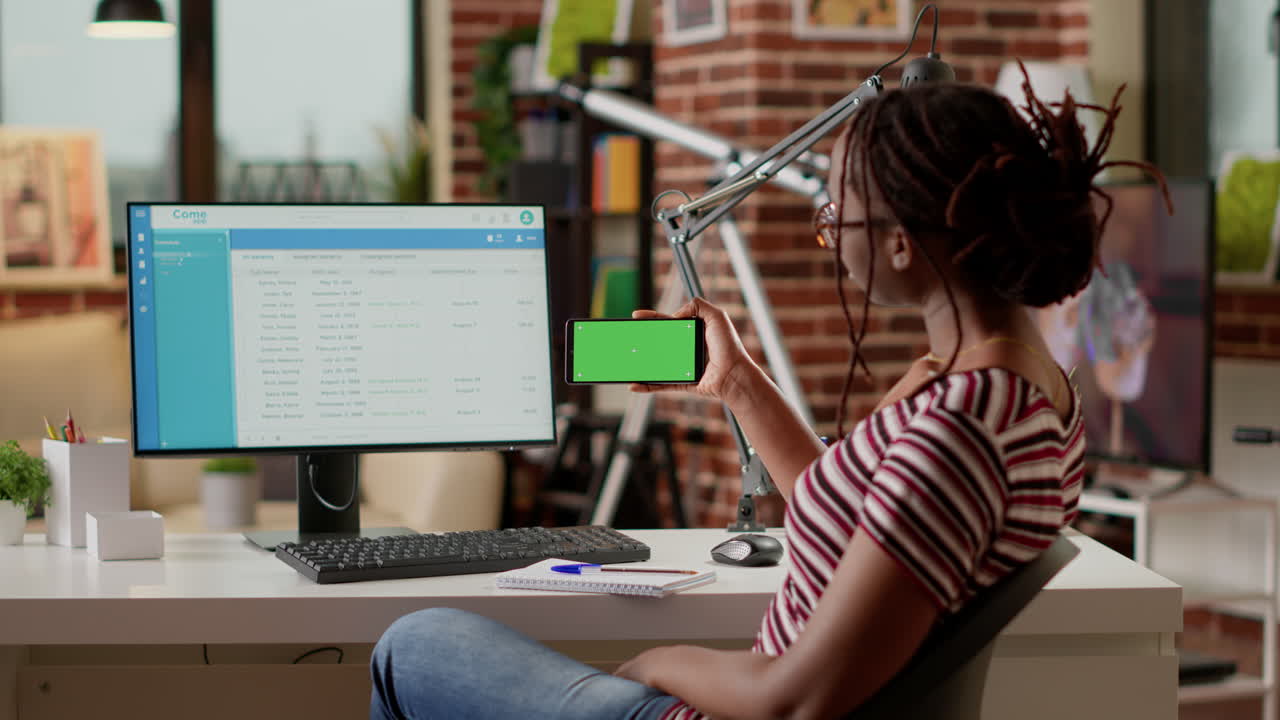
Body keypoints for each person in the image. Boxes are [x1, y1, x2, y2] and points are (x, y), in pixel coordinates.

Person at [369, 68, 1163, 720]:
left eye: (835, 214)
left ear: (899, 241)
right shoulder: (1022, 386)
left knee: (413, 643)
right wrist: (737, 380)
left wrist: (663, 662)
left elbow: (797, 698)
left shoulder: (960, 427)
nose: (828, 230)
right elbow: (849, 511)